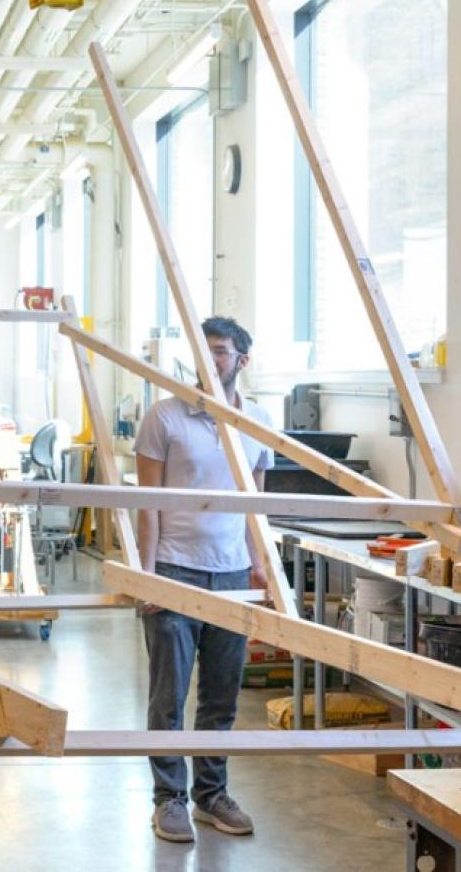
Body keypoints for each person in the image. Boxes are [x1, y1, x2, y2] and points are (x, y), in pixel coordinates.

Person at [134, 315, 272, 844]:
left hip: (233, 573)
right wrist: (147, 577)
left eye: (220, 350)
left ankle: (211, 794)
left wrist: (263, 569)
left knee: (220, 697)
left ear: (242, 359)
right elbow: (148, 506)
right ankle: (168, 799)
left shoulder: (257, 423)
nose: (211, 359)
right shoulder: (164, 417)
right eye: (203, 350)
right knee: (167, 697)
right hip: (174, 567)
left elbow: (257, 509)